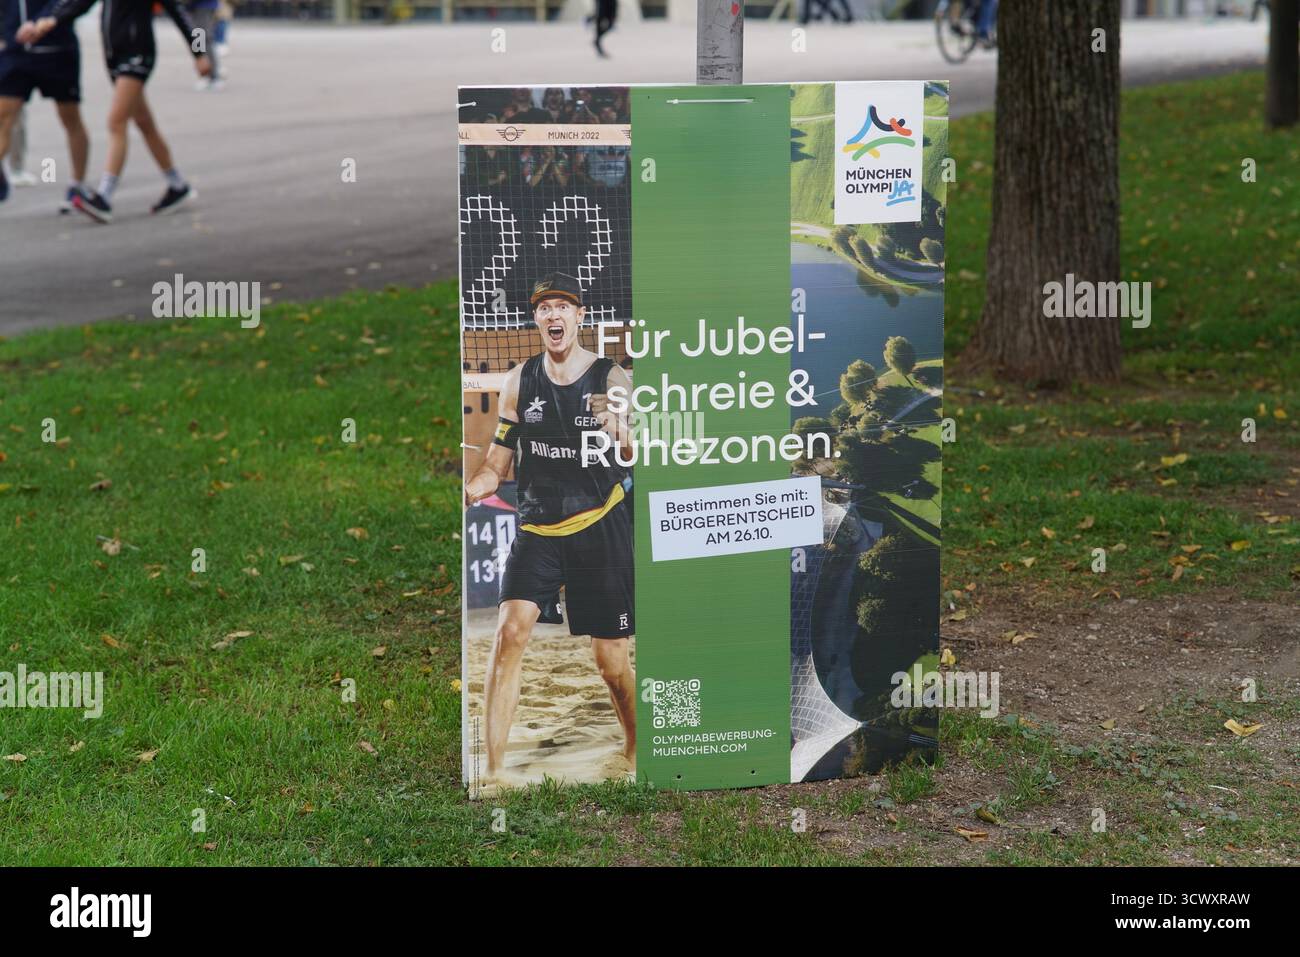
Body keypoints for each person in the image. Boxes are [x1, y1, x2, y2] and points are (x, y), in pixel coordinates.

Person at [465, 272, 637, 783]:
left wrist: (619, 428)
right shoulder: (520, 381)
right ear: (537, 318)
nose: (553, 314)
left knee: (610, 664)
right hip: (538, 529)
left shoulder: (610, 377)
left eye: (562, 306)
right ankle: (493, 772)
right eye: (544, 308)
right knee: (508, 634)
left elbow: (635, 451)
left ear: (579, 316)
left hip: (599, 526)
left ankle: (634, 746)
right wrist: (477, 484)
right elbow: (498, 461)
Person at [17, 0, 211, 223]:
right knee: (144, 123)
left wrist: (200, 53)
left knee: (116, 122)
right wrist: (51, 21)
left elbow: (182, 15)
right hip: (115, 58)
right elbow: (80, 3)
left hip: (137, 55)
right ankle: (177, 185)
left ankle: (104, 197)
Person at [0, 0, 89, 210]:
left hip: (56, 50)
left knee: (70, 117)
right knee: (3, 117)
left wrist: (46, 20)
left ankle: (77, 185)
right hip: (16, 51)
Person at [187, 0, 223, 90]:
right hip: (196, 5)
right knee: (198, 38)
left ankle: (212, 76)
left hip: (203, 5)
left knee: (203, 38)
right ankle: (207, 75)